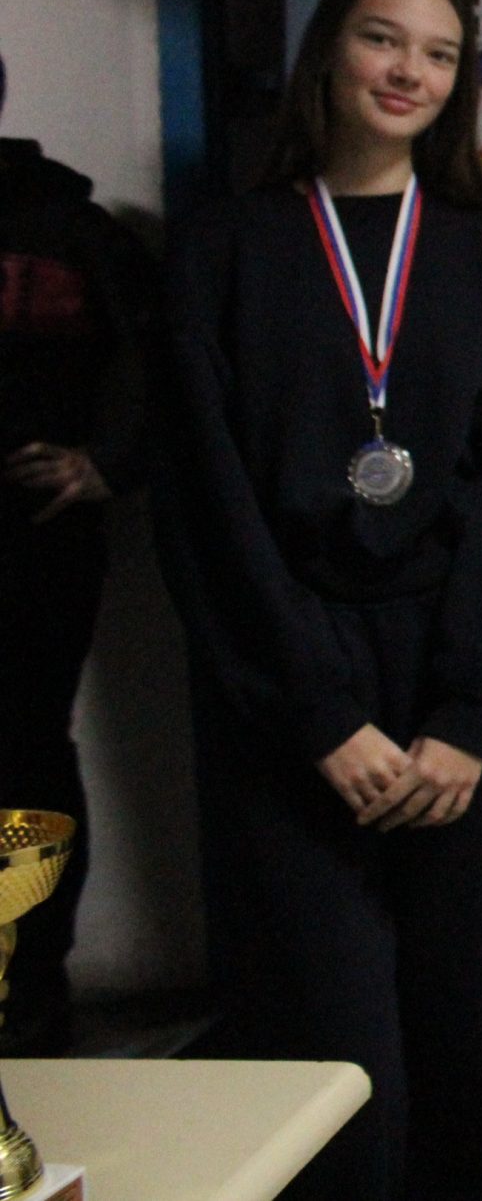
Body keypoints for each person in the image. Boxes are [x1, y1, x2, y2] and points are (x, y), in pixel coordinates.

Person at [156, 0, 482, 1200]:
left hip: (458, 706)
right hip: (290, 703)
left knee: (476, 1050)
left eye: (440, 55)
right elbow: (205, 507)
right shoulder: (225, 249)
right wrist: (318, 715)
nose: (408, 72)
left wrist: (471, 716)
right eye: (382, 39)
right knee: (326, 1056)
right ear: (328, 51)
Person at [0, 54, 157, 1056]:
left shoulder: (67, 227)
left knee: (21, 764)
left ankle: (27, 992)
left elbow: (174, 360)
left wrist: (110, 463)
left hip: (30, 553)